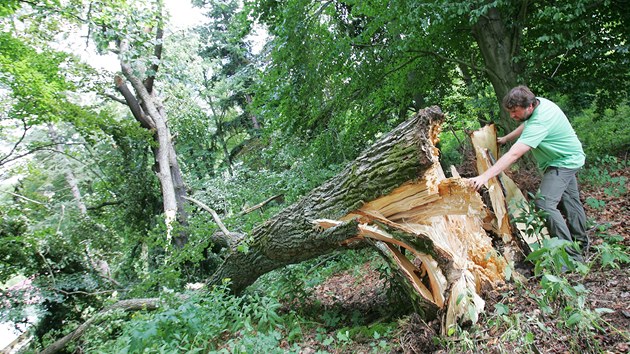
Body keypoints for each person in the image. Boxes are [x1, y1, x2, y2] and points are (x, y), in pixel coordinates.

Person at [468, 85, 588, 261]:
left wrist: (485, 176)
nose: (512, 116)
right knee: (571, 201)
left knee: (544, 204)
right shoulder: (539, 104)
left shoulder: (540, 122)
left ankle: (571, 256)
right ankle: (581, 244)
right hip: (569, 157)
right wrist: (507, 138)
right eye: (510, 112)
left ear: (529, 106)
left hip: (563, 162)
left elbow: (515, 154)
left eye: (515, 112)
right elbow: (527, 124)